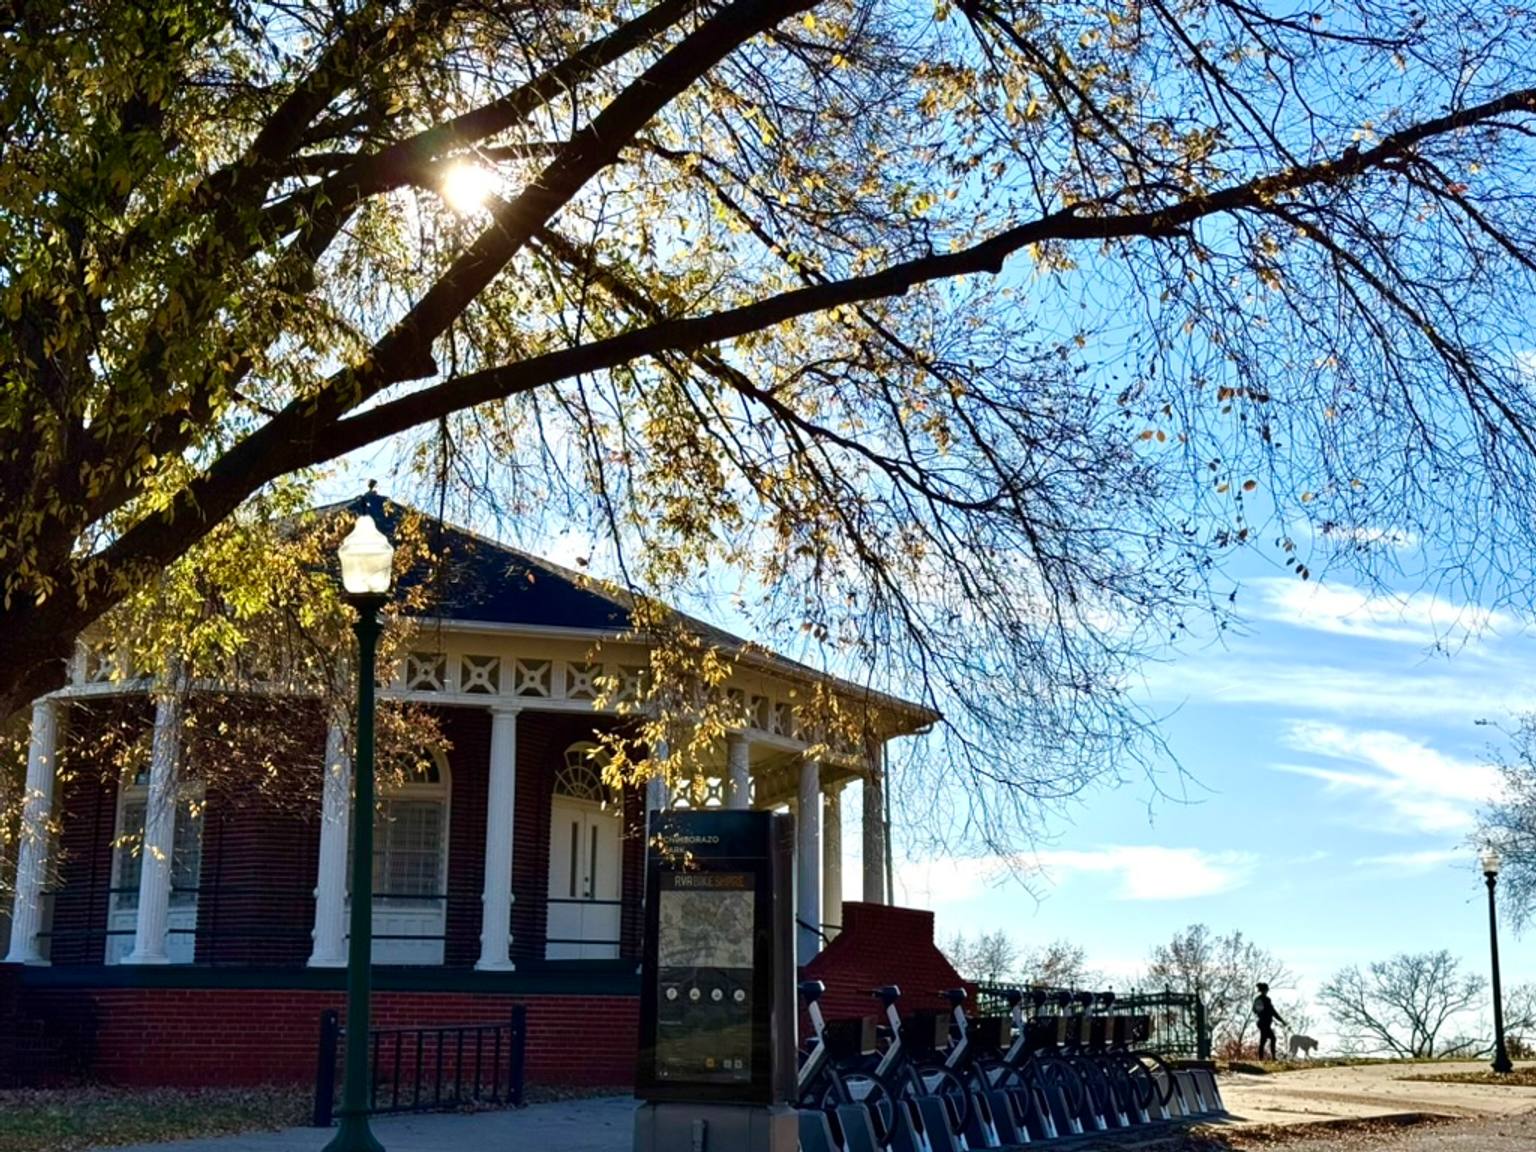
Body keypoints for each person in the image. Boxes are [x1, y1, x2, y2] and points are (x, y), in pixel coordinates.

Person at [1253, 982, 1287, 1060]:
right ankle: (1272, 1058)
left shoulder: (1260, 999)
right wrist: (1281, 1021)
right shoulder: (1263, 999)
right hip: (1263, 1022)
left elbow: (1255, 1010)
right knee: (1272, 1038)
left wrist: (1281, 1020)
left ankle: (1262, 1058)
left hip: (1264, 1023)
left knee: (1264, 1040)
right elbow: (1272, 1011)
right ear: (1265, 990)